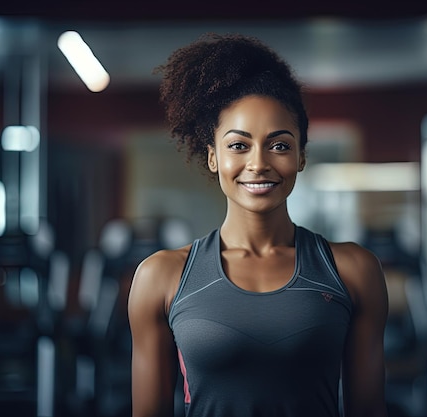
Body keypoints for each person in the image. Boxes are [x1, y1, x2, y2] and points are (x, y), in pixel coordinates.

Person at [127, 32, 389, 417]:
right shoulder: (161, 276)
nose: (259, 163)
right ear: (213, 157)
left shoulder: (354, 271)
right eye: (239, 145)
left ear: (301, 156)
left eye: (279, 145)